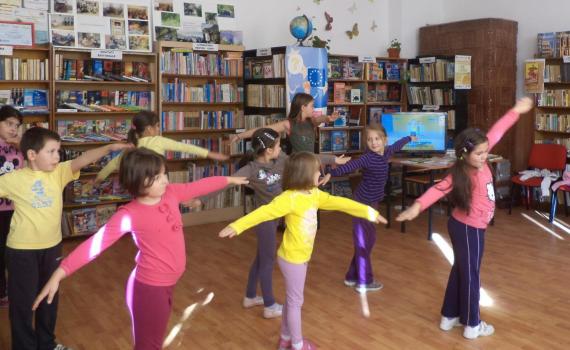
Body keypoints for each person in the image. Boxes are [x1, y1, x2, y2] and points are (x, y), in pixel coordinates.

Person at [33, 148, 248, 350]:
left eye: (164, 173)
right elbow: (95, 245)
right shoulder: (129, 214)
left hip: (166, 284)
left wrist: (229, 179)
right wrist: (60, 273)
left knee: (151, 341)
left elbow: (199, 186)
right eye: (156, 177)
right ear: (137, 181)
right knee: (149, 346)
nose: (165, 180)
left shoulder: (170, 193)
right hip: (149, 289)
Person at [396, 97, 534, 340]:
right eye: (479, 153)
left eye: (485, 151)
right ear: (464, 154)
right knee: (471, 275)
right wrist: (416, 206)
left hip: (467, 227)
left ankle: (449, 316)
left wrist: (515, 111)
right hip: (468, 229)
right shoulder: (459, 174)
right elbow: (436, 190)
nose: (484, 156)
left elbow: (498, 131)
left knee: (461, 269)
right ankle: (472, 323)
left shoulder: (479, 157)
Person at [219, 152, 387, 350]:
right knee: (296, 302)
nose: (320, 172)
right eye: (317, 170)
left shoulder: (315, 195)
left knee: (292, 301)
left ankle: (285, 338)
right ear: (305, 174)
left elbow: (342, 203)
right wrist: (237, 226)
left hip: (300, 258)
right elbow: (263, 212)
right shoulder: (289, 199)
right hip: (292, 259)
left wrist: (369, 212)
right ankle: (298, 344)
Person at [1, 126, 131, 350]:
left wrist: (110, 147)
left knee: (50, 297)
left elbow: (84, 158)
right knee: (22, 304)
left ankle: (47, 343)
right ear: (32, 155)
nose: (57, 156)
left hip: (52, 248)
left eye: (58, 151)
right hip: (21, 251)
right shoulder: (13, 179)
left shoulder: (59, 172)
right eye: (51, 151)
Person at [233, 129, 349, 319]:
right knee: (267, 260)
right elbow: (225, 182)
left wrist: (333, 159)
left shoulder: (281, 160)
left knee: (261, 257)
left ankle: (250, 296)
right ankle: (269, 305)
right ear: (269, 150)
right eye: (278, 145)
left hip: (275, 217)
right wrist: (200, 198)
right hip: (265, 219)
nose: (281, 148)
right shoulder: (251, 169)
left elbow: (304, 158)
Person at [328, 124, 414, 292]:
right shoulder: (367, 158)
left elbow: (397, 145)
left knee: (368, 241)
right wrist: (331, 173)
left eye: (377, 139)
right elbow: (350, 166)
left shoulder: (387, 152)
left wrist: (409, 138)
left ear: (384, 140)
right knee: (364, 242)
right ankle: (364, 281)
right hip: (362, 203)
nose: (374, 143)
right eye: (369, 140)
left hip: (372, 203)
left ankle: (352, 276)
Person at [95, 111, 228, 183]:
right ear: (148, 129)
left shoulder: (131, 148)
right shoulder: (157, 141)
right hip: (159, 182)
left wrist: (97, 179)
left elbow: (112, 164)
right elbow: (184, 147)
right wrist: (209, 153)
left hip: (140, 186)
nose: (159, 128)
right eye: (158, 126)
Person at [231, 92, 339, 154]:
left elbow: (320, 119)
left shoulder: (311, 121)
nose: (313, 108)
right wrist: (239, 136)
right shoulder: (288, 124)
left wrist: (328, 118)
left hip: (311, 164)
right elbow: (262, 130)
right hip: (296, 165)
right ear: (303, 107)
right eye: (312, 106)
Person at [0, 106, 24, 309]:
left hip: (18, 210)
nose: (13, 128)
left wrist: (22, 144)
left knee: (15, 254)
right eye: (9, 123)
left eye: (17, 125)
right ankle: (1, 293)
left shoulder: (21, 146)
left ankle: (16, 291)